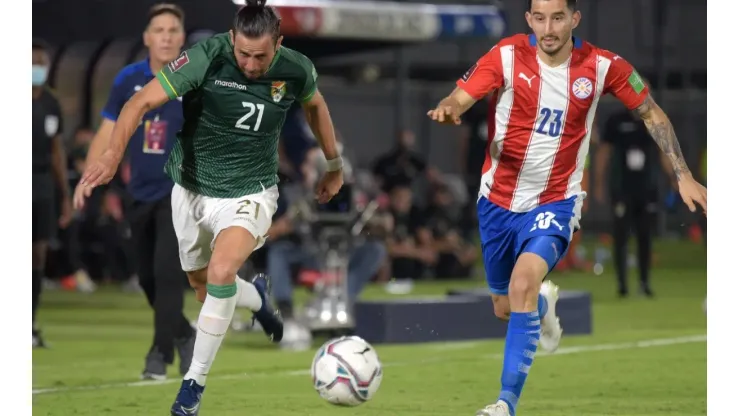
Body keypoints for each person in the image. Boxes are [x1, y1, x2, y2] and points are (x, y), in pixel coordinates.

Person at [426, 1, 707, 415]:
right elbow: (460, 96)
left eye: (558, 17)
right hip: (497, 203)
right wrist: (450, 107)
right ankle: (542, 307)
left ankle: (505, 404)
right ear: (528, 20)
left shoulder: (603, 66)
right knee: (505, 307)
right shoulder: (504, 56)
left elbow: (650, 112)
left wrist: (682, 172)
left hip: (557, 199)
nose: (549, 27)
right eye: (539, 17)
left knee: (523, 282)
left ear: (574, 18)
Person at [75, 1, 343, 414]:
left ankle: (192, 386)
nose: (252, 65)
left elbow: (315, 106)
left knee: (221, 272)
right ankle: (255, 298)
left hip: (250, 191)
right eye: (244, 54)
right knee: (203, 287)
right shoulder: (205, 57)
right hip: (191, 189)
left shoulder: (296, 68)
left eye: (262, 56)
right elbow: (139, 103)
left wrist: (333, 164)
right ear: (232, 40)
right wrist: (112, 155)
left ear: (279, 43)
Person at [78, 3, 196, 380]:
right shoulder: (128, 79)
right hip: (138, 193)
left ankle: (159, 355)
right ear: (147, 38)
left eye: (173, 30)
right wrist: (88, 176)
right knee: (146, 278)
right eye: (158, 30)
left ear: (182, 38)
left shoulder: (195, 80)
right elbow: (107, 131)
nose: (166, 36)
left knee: (165, 274)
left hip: (179, 193)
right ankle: (183, 334)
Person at [594, 101, 675, 297]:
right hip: (622, 188)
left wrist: (674, 178)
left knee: (645, 237)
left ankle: (644, 283)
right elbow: (604, 153)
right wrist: (598, 183)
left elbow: (663, 150)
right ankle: (622, 284)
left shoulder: (653, 121)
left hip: (646, 189)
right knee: (621, 237)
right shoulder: (616, 121)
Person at [32, 40, 74, 348]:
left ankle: (29, 324)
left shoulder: (50, 103)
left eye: (41, 63)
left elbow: (58, 151)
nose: (37, 68)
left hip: (43, 182)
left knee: (37, 255)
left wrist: (65, 194)